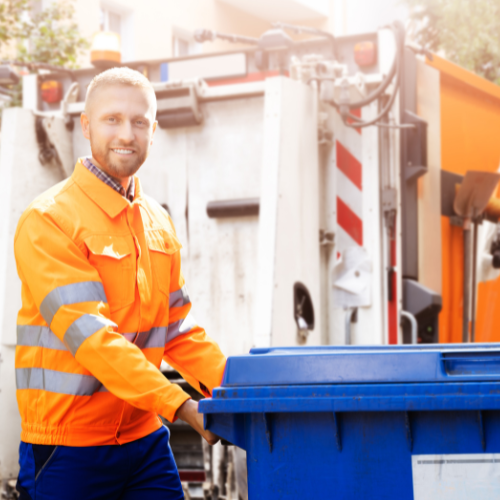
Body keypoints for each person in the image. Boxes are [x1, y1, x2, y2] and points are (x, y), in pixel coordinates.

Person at [14, 67, 226, 500]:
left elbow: (177, 330)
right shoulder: (49, 220)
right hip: (69, 448)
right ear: (86, 126)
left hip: (143, 440)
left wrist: (238, 388)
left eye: (139, 122)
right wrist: (180, 404)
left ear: (154, 130)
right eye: (112, 119)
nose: (126, 134)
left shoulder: (157, 220)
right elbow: (92, 338)